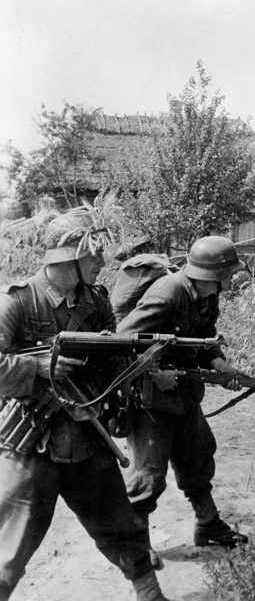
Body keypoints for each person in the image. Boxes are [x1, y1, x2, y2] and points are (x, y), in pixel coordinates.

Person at [0, 208, 169, 601]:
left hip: (86, 432)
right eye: (93, 254)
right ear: (67, 256)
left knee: (120, 525)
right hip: (33, 439)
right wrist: (39, 367)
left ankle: (150, 594)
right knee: (12, 544)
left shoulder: (96, 303)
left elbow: (109, 363)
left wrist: (140, 362)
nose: (102, 262)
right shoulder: (19, 302)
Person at [116, 236, 248, 565]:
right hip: (152, 401)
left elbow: (206, 336)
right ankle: (137, 542)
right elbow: (121, 341)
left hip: (185, 393)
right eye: (229, 273)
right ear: (211, 273)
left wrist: (218, 363)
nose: (232, 279)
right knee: (149, 473)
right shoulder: (168, 291)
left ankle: (208, 523)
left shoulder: (208, 295)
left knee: (198, 457)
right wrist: (153, 371)